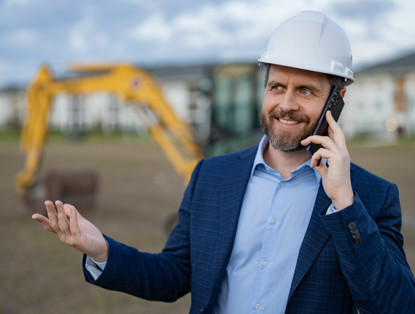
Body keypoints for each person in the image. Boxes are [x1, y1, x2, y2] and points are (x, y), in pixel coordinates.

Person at [32, 10, 415, 313]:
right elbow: (174, 274)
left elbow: (394, 305)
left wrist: (344, 204)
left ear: (336, 102)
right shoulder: (211, 176)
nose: (286, 104)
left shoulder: (370, 197)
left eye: (306, 91)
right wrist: (102, 250)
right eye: (277, 87)